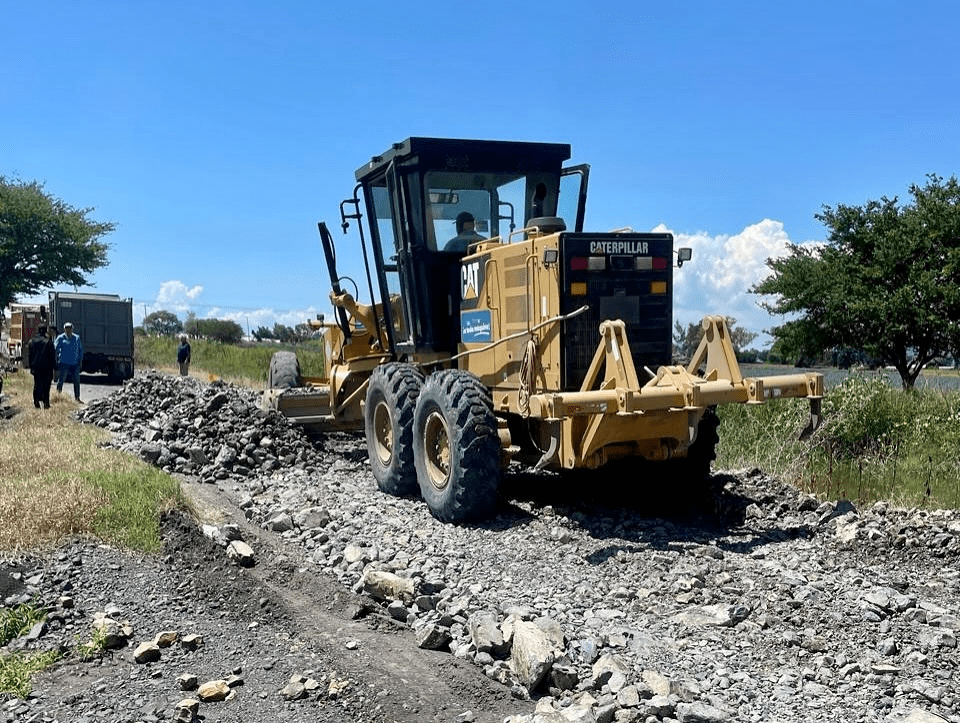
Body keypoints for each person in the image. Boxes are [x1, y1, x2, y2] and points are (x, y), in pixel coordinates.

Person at [27, 325, 55, 409]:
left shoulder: (31, 341)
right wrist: (54, 367)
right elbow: (52, 356)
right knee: (46, 385)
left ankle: (36, 402)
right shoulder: (48, 341)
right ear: (45, 331)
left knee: (37, 384)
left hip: (36, 368)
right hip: (46, 368)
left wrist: (31, 367)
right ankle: (46, 403)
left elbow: (30, 356)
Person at [54, 322, 84, 402]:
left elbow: (80, 350)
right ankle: (57, 396)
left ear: (72, 328)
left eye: (70, 328)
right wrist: (55, 360)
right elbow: (55, 349)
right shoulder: (60, 338)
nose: (68, 329)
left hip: (74, 363)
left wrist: (80, 361)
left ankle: (77, 398)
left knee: (76, 381)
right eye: (67, 328)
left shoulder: (76, 338)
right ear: (64, 329)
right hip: (63, 362)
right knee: (61, 380)